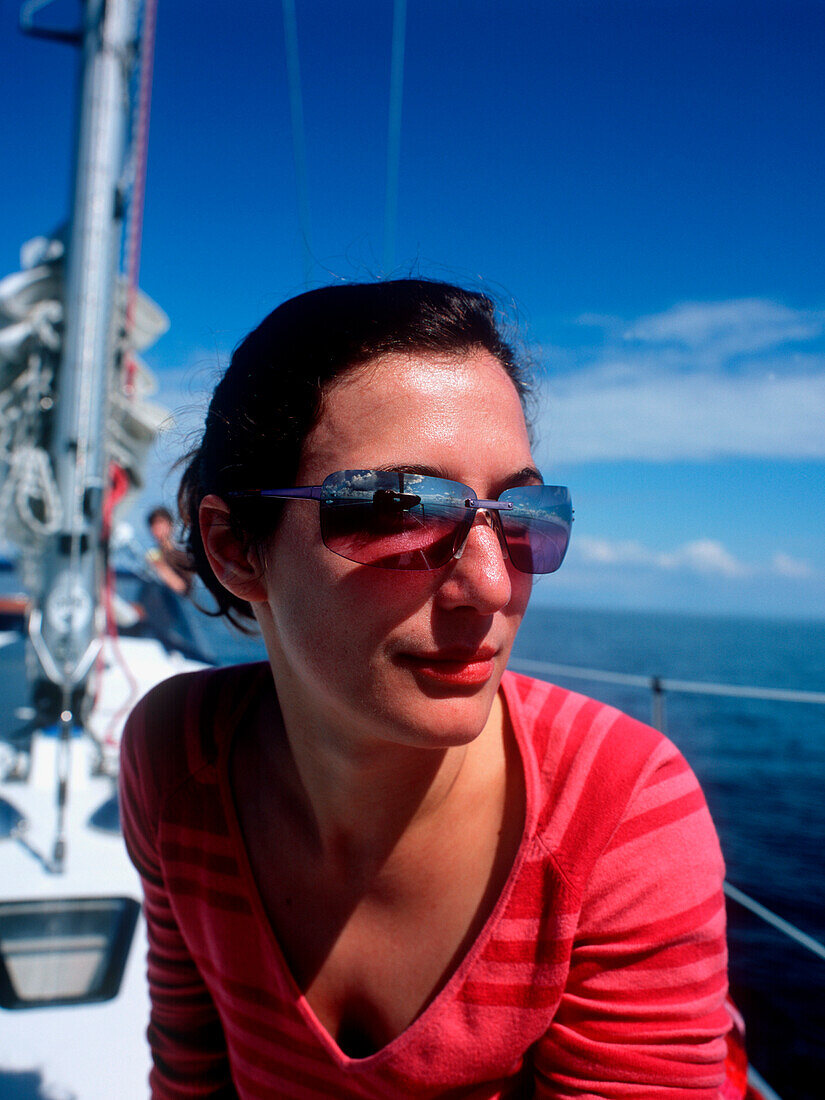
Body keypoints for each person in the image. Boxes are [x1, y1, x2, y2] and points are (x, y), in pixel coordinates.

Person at [120, 279, 737, 1098]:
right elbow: (188, 1070)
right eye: (399, 506)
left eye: (519, 514)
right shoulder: (177, 761)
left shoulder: (615, 809)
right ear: (237, 550)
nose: (490, 584)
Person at [145, 505, 192, 596]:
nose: (157, 527)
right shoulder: (150, 555)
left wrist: (159, 565)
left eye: (160, 522)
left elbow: (182, 588)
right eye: (153, 524)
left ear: (170, 525)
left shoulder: (182, 555)